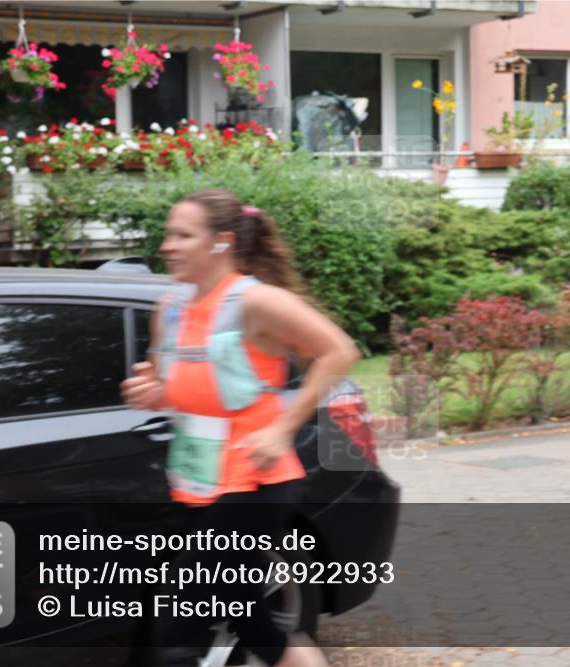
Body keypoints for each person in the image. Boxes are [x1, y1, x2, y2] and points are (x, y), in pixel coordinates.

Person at [120, 188, 361, 667]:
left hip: (254, 483)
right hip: (199, 484)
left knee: (178, 622)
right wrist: (152, 391)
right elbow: (179, 388)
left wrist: (282, 428)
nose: (168, 245)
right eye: (168, 234)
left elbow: (340, 351)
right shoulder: (169, 309)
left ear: (220, 243)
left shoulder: (255, 302)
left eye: (183, 235)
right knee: (252, 619)